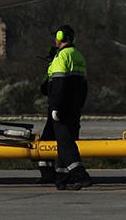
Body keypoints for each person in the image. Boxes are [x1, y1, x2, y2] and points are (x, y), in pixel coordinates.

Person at [38, 25, 90, 190]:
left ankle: (81, 176)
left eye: (56, 36)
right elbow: (83, 86)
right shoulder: (78, 55)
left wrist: (56, 107)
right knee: (50, 139)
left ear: (60, 37)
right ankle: (60, 177)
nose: (55, 39)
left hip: (61, 108)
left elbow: (57, 84)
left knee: (65, 143)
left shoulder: (61, 56)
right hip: (74, 107)